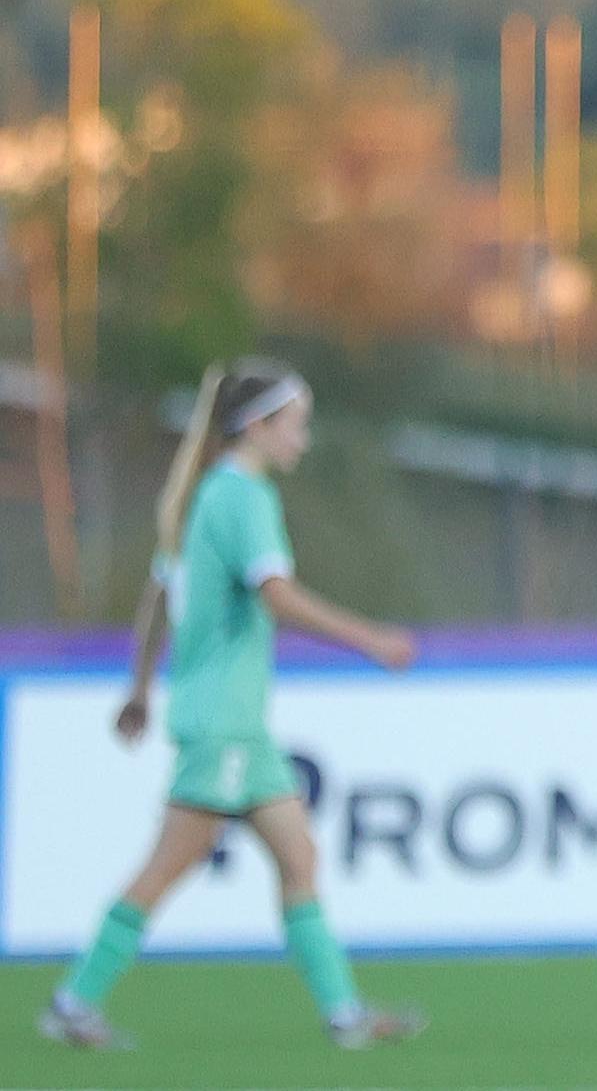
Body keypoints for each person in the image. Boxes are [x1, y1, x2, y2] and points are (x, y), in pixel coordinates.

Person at [40, 362, 425, 1053]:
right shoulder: (244, 496)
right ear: (258, 427)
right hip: (225, 726)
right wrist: (371, 640)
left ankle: (345, 1017)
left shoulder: (203, 494)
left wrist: (140, 688)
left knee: (298, 856)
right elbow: (276, 595)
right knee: (169, 865)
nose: (301, 440)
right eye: (295, 426)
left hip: (235, 724)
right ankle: (73, 1002)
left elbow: (158, 598)